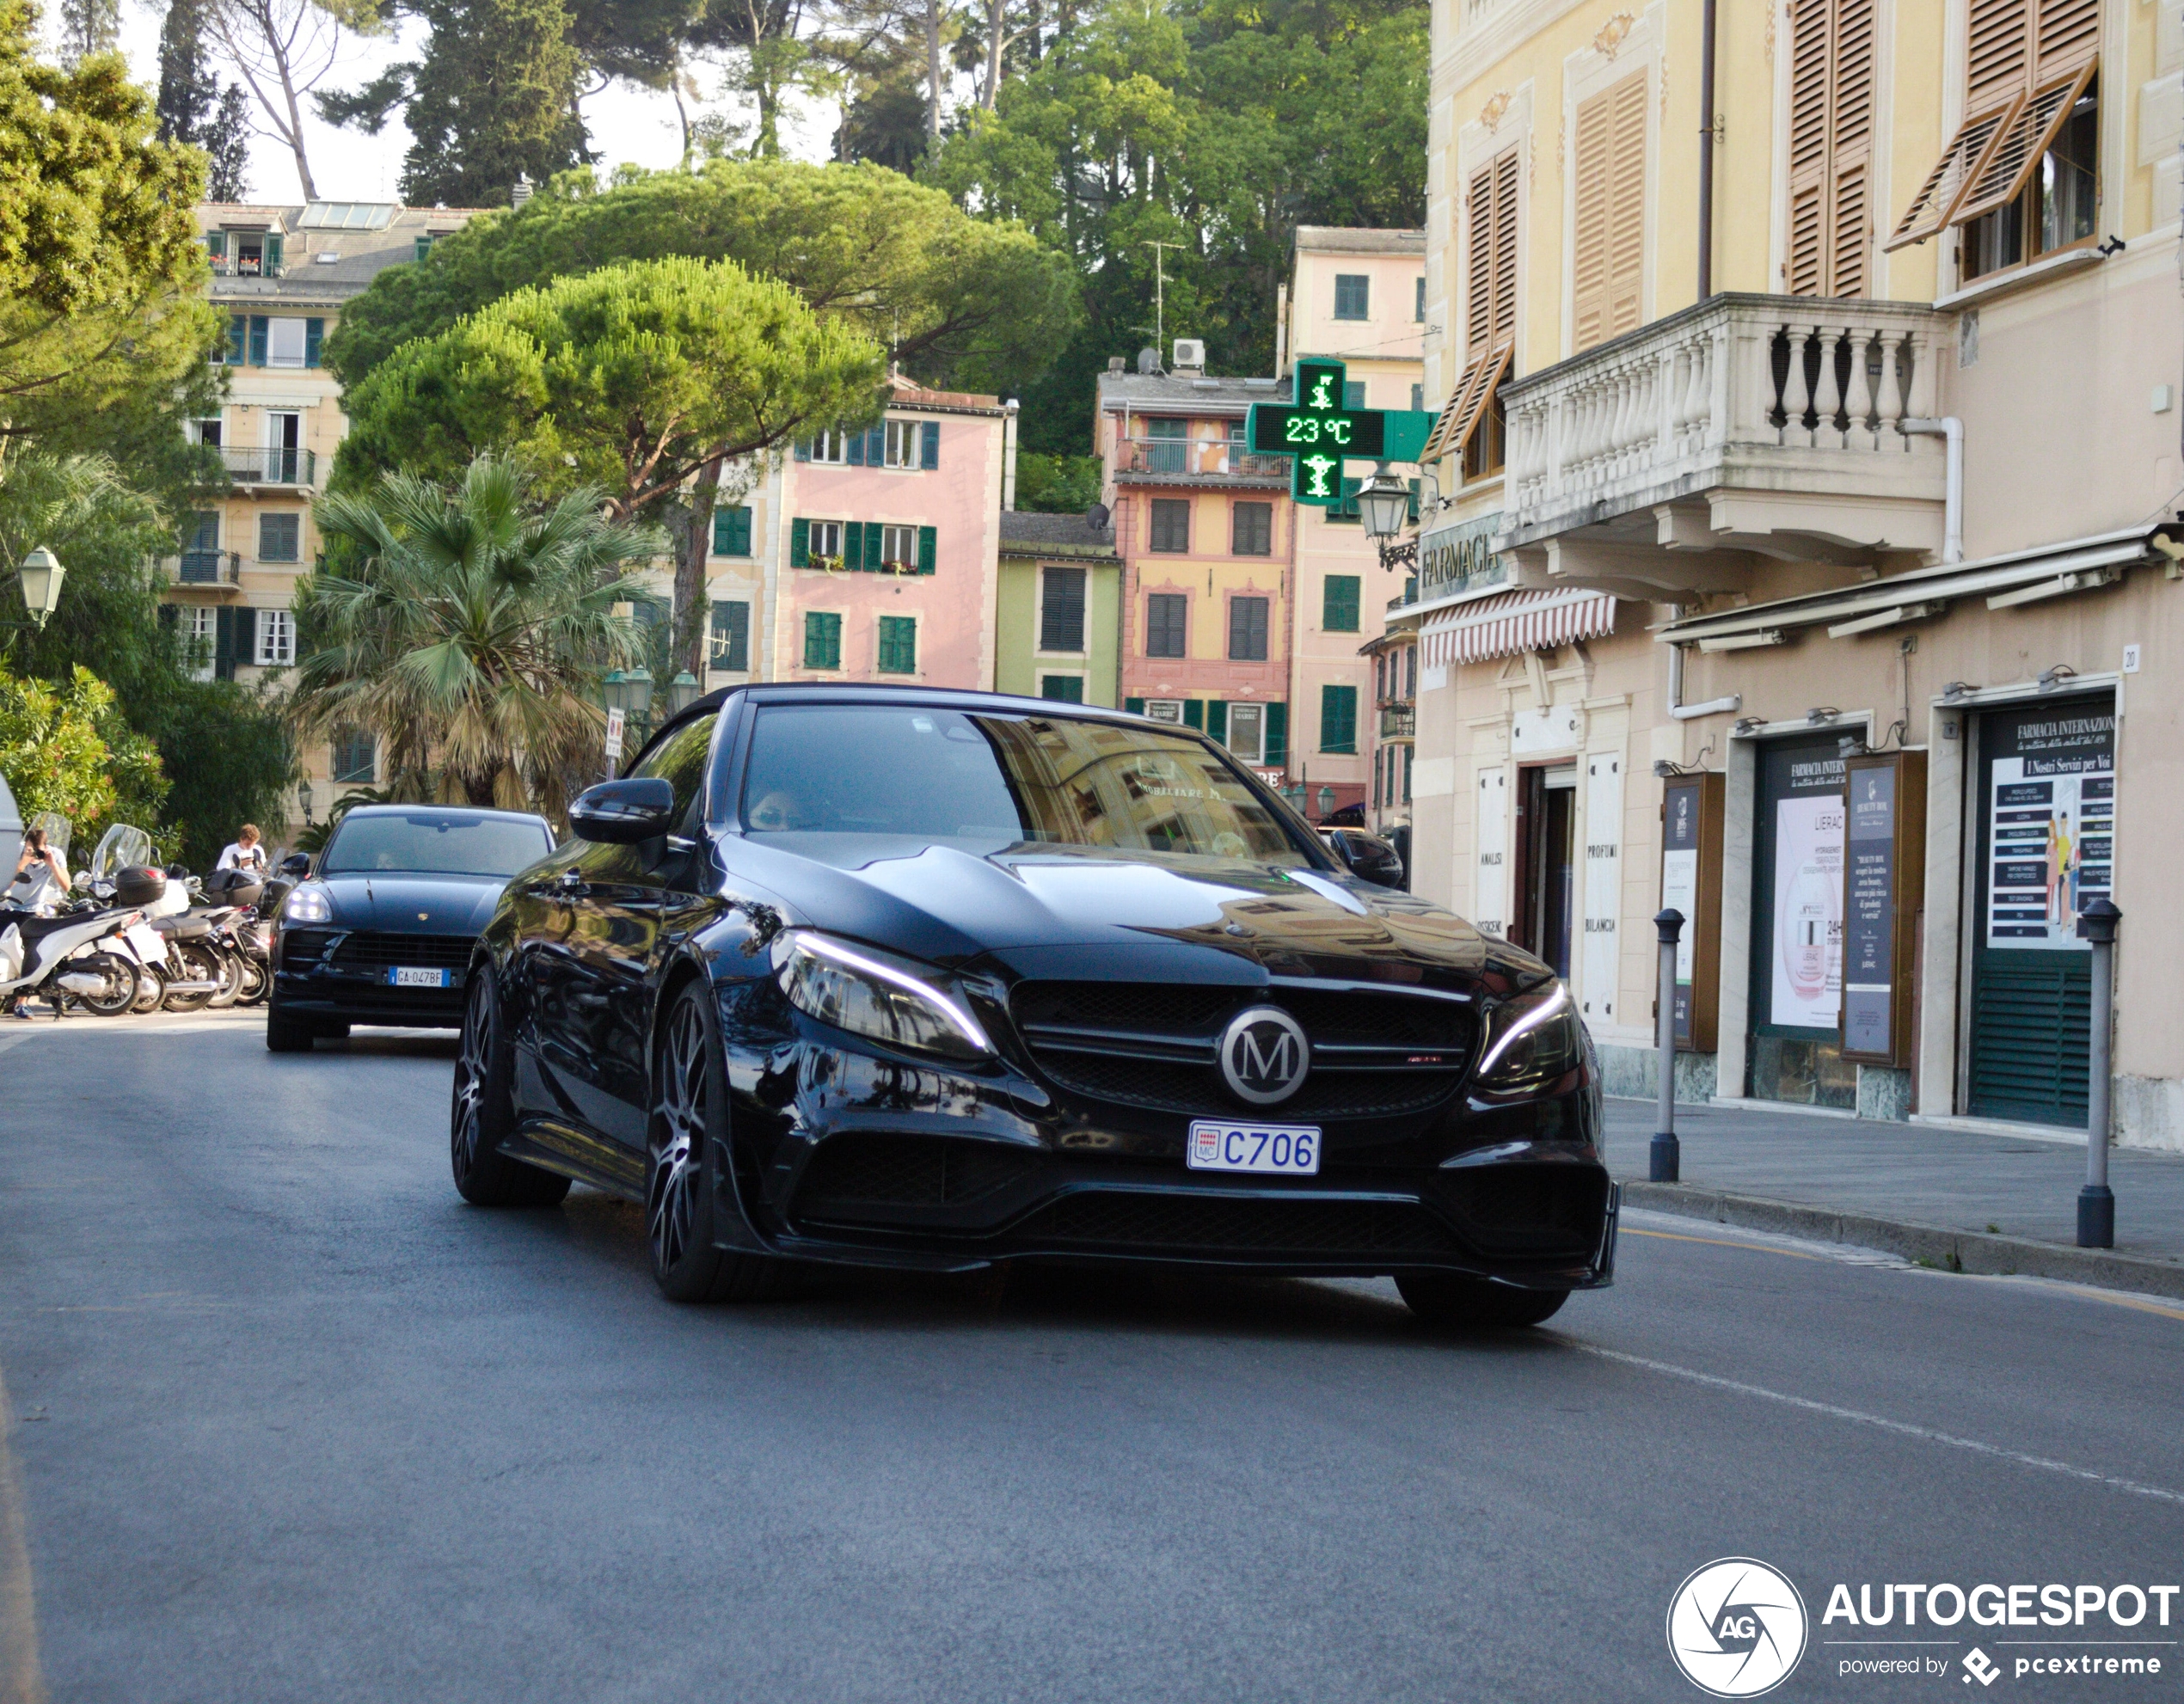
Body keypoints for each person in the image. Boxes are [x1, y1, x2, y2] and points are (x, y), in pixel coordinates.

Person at [5, 826, 68, 1019]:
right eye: (32, 850)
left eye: (38, 851)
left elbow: (66, 885)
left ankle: (22, 1001)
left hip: (32, 910)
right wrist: (21, 863)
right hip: (7, 906)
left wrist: (52, 865)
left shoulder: (54, 855)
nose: (35, 856)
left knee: (35, 949)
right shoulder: (15, 851)